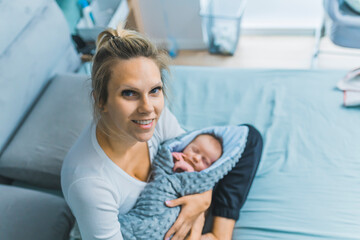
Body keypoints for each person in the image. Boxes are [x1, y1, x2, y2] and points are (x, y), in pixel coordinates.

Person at [61, 26, 263, 240]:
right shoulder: (89, 183)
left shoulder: (154, 117)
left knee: (250, 138)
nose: (148, 107)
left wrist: (201, 201)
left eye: (154, 90)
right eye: (129, 93)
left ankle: (222, 234)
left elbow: (195, 166)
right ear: (101, 100)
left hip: (181, 203)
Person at [118, 127, 248, 240]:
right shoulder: (172, 156)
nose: (196, 158)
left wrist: (189, 172)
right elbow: (161, 166)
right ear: (185, 146)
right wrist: (171, 160)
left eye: (205, 161)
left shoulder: (198, 178)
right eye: (195, 150)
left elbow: (193, 182)